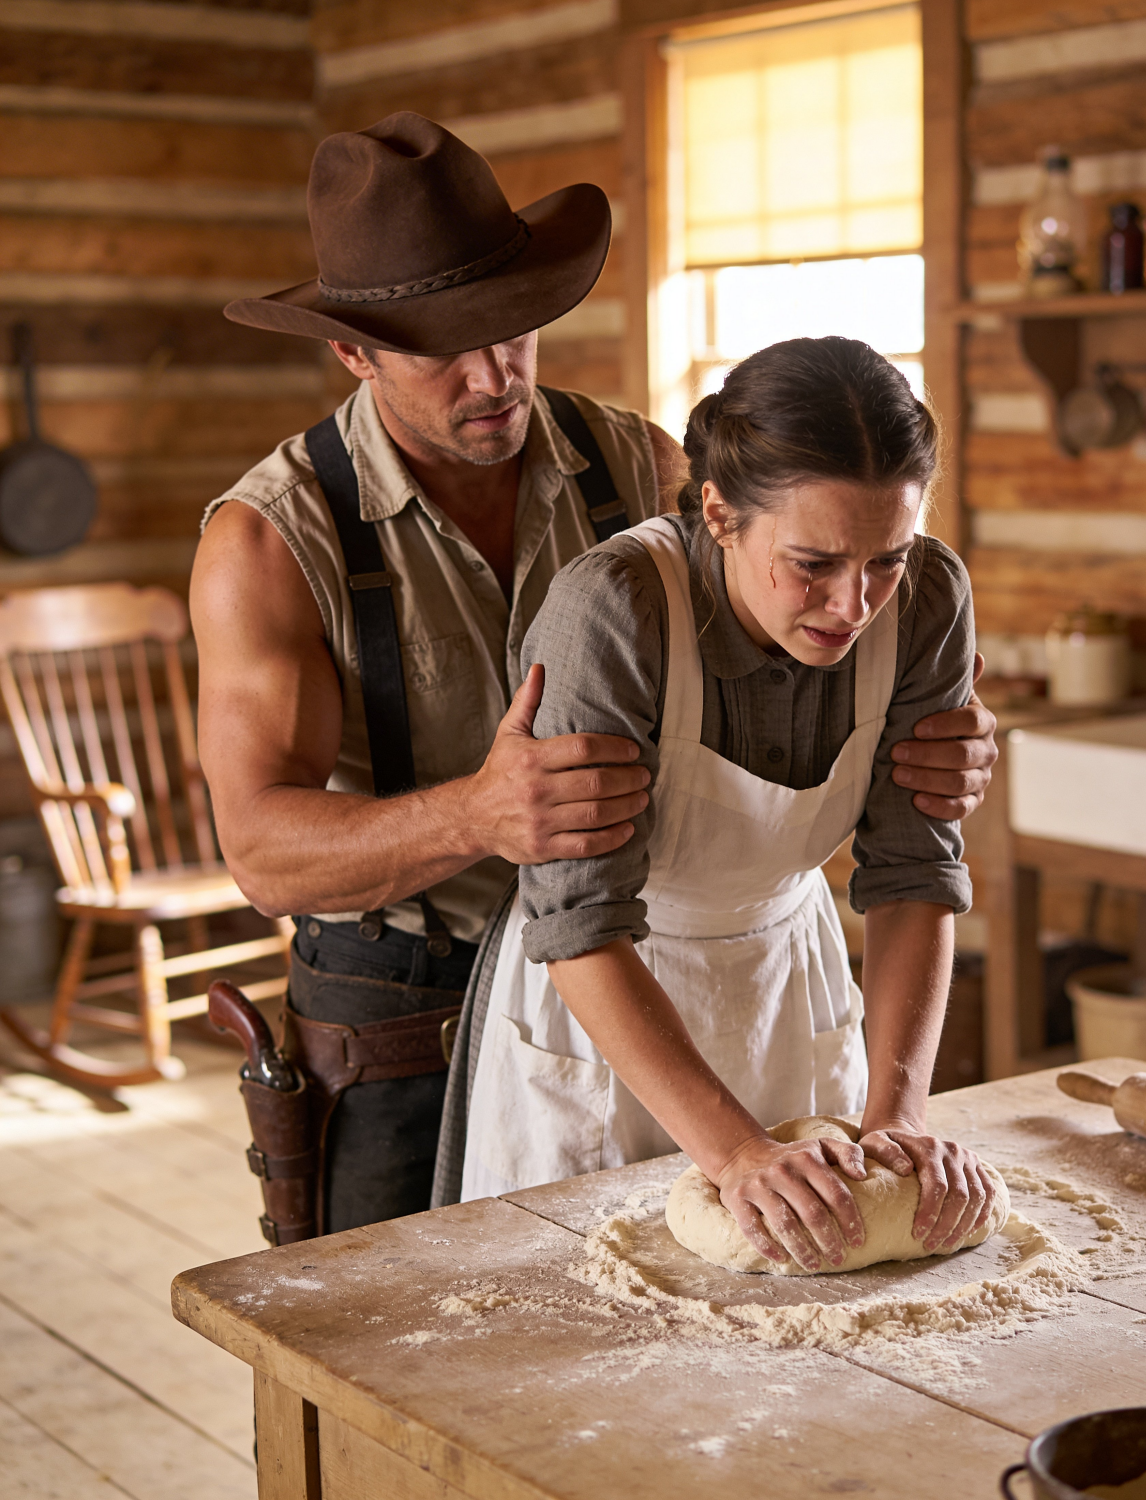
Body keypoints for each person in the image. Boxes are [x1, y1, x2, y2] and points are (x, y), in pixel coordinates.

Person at [190, 111, 998, 1237]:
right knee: (387, 1340)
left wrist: (903, 749)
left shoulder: (642, 463)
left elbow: (771, 627)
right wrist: (480, 812)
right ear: (353, 351)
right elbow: (263, 855)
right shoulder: (274, 539)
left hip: (657, 959)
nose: (493, 372)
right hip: (402, 996)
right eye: (442, 345)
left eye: (512, 328)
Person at [456, 339, 995, 1269]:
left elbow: (914, 871)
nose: (853, 603)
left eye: (886, 560)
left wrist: (898, 1121)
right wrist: (737, 1151)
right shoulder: (616, 611)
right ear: (719, 512)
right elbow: (580, 917)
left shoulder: (931, 596)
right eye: (814, 562)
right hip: (608, 999)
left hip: (788, 979)